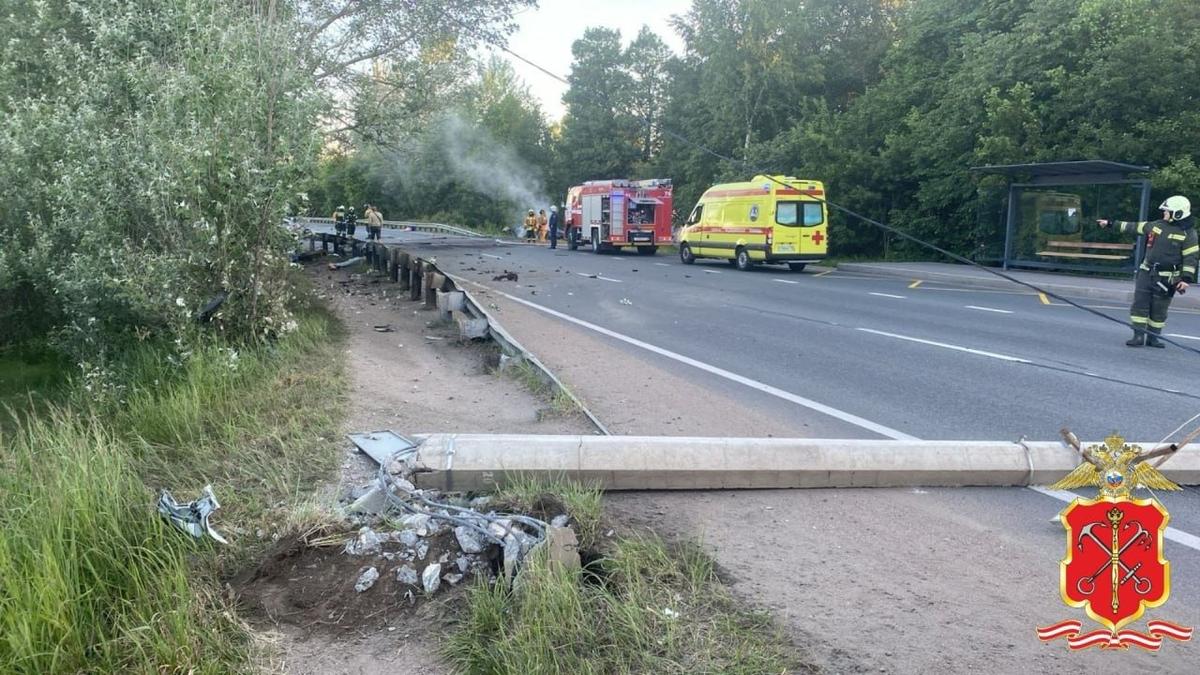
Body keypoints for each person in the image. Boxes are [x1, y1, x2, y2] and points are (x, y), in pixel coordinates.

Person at [1098, 195, 1197, 347]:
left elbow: (1191, 257)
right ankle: (1138, 336)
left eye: (1167, 211)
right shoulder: (1157, 225)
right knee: (1140, 304)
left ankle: (1153, 338)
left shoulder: (1188, 234)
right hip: (1146, 273)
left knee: (1159, 309)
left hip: (1167, 278)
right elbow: (1134, 226)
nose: (1164, 213)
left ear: (1177, 213)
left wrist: (1186, 279)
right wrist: (1110, 223)